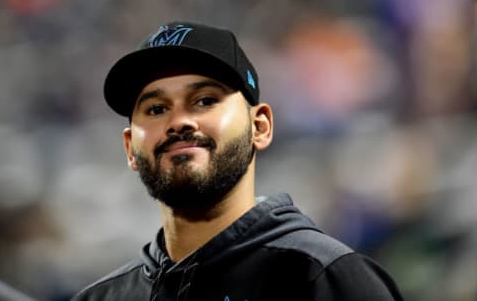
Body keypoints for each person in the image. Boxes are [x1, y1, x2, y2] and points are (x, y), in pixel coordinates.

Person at [71, 21, 403, 301]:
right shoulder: (104, 297)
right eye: (157, 109)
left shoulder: (327, 278)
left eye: (204, 100)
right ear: (130, 147)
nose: (179, 121)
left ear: (260, 127)